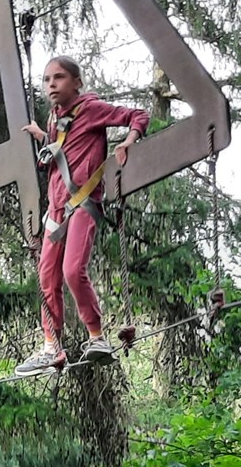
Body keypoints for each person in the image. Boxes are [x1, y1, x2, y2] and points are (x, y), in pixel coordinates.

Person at [16, 56, 149, 375]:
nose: (51, 84)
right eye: (47, 79)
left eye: (59, 77)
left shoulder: (91, 109)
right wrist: (43, 138)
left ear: (76, 82)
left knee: (73, 270)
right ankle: (51, 347)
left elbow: (138, 115)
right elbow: (65, 150)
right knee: (47, 277)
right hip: (56, 210)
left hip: (83, 204)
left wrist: (128, 141)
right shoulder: (54, 119)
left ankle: (96, 337)